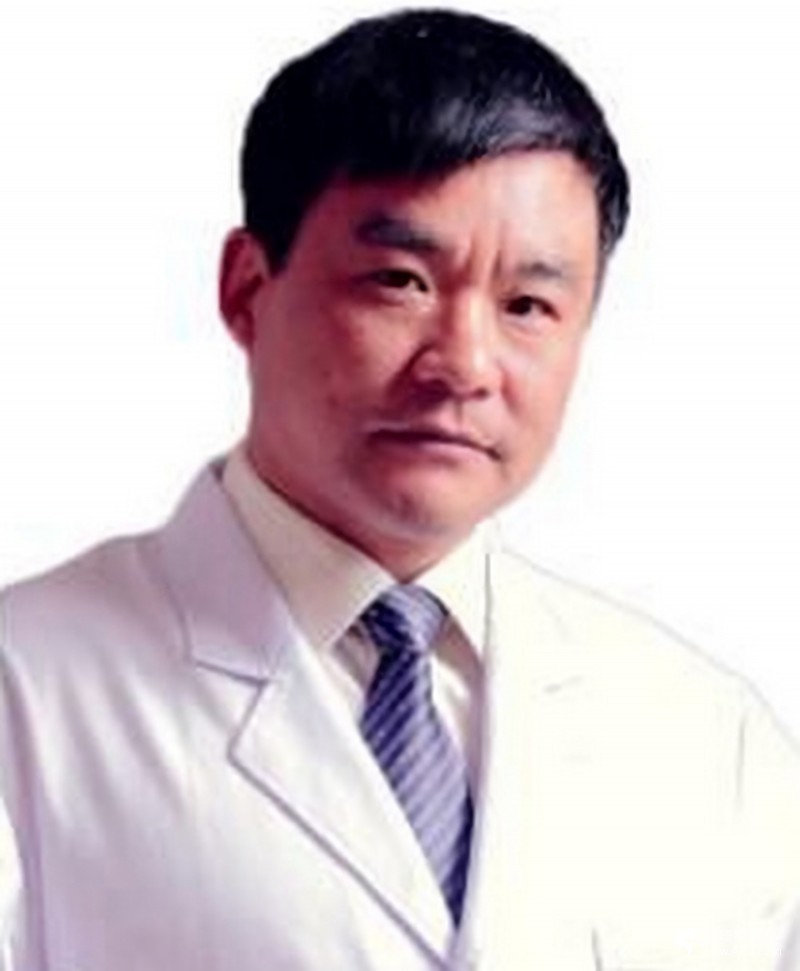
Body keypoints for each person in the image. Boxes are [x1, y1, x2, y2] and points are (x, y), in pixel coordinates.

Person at [1, 8, 799, 970]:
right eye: (399, 281)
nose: (464, 364)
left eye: (528, 304)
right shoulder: (26, 694)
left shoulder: (708, 736)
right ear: (247, 288)